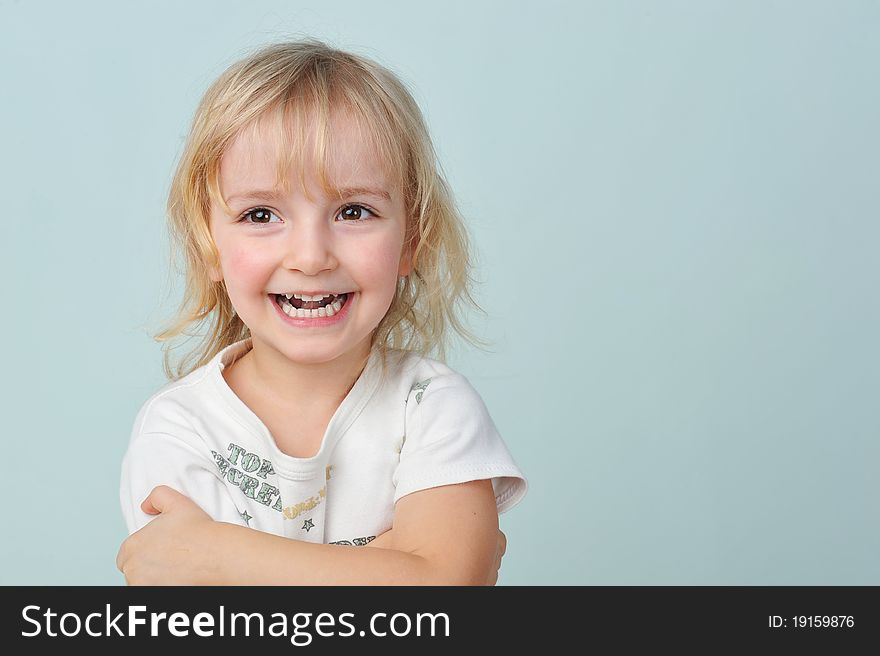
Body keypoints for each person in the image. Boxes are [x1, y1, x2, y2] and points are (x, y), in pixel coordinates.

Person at [116, 38, 528, 585]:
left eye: (354, 211)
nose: (310, 257)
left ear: (413, 239)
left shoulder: (432, 407)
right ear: (209, 246)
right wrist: (392, 562)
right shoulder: (180, 428)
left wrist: (219, 554)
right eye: (261, 214)